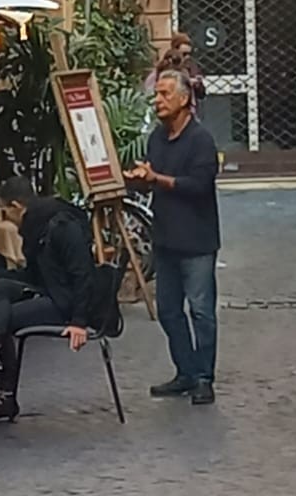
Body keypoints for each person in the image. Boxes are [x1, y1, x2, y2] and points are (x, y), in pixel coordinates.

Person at [0, 176, 96, 425]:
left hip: (66, 303)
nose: (6, 220)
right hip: (51, 291)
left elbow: (83, 274)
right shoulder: (38, 226)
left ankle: (4, 391)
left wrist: (78, 321)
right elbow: (32, 275)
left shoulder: (61, 226)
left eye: (6, 213)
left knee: (5, 318)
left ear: (16, 206)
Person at [127, 67, 220, 405]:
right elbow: (154, 181)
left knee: (201, 312)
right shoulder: (156, 138)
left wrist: (158, 179)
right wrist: (138, 179)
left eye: (165, 94)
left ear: (183, 99)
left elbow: (199, 186)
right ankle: (186, 372)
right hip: (165, 239)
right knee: (168, 311)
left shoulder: (201, 140)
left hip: (197, 241)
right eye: (156, 94)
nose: (158, 100)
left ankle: (204, 378)